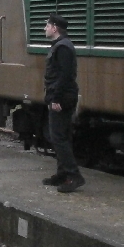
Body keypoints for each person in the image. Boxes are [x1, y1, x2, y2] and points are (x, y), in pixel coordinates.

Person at [41, 14, 84, 193]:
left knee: (58, 137)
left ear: (55, 28)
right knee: (61, 137)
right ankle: (62, 173)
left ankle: (74, 175)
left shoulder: (63, 48)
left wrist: (56, 98)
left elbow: (65, 76)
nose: (45, 28)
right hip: (62, 96)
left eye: (47, 25)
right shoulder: (61, 46)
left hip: (62, 98)